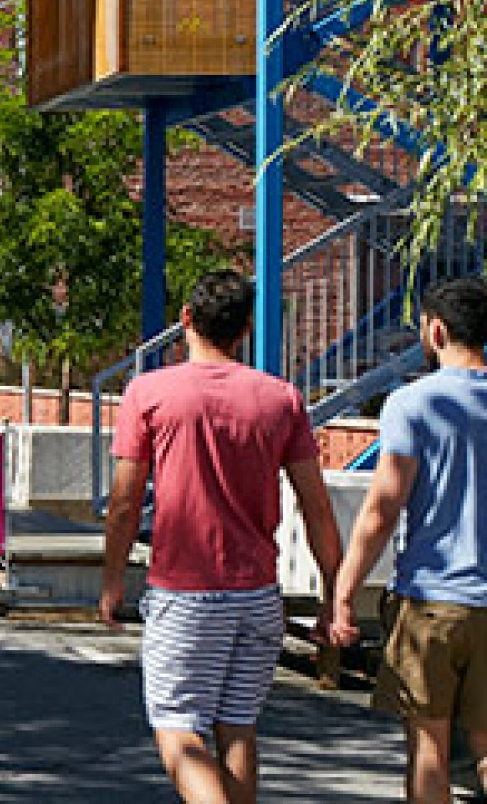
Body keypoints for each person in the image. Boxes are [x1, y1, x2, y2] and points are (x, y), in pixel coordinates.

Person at [99, 270, 342, 804]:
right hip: (257, 595)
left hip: (185, 594)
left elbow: (123, 504)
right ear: (245, 329)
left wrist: (113, 581)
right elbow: (317, 507)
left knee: (177, 731)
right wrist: (333, 596)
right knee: (237, 728)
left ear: (186, 319)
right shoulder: (281, 400)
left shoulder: (149, 393)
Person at [324, 275, 487, 804]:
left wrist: (343, 593)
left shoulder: (412, 404)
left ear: (434, 331)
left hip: (431, 601)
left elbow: (383, 508)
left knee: (429, 752)